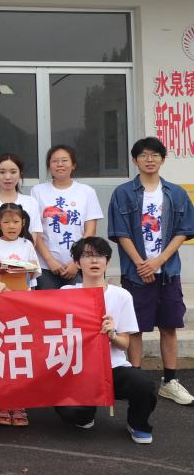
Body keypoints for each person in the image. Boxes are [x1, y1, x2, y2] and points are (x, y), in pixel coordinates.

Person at [108, 136, 194, 406]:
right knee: (135, 328)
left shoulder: (176, 193)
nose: (149, 159)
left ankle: (170, 381)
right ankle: (136, 381)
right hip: (135, 273)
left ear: (162, 159)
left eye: (155, 155)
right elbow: (120, 232)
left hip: (168, 272)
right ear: (135, 160)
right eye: (144, 155)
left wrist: (158, 261)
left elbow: (184, 231)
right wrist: (140, 263)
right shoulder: (123, 193)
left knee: (169, 326)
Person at [50, 237, 158, 444]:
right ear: (77, 262)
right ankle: (85, 413)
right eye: (87, 256)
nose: (94, 260)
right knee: (73, 414)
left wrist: (112, 334)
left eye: (100, 256)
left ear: (107, 261)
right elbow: (38, 315)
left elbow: (125, 343)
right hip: (78, 368)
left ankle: (137, 423)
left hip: (112, 366)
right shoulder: (66, 293)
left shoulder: (121, 296)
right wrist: (7, 293)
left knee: (143, 385)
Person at [0, 203, 41, 428]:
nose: (11, 226)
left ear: (23, 223)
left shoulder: (27, 244)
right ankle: (2, 402)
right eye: (6, 222)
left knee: (20, 353)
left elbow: (35, 274)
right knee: (1, 353)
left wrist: (25, 268)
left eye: (15, 222)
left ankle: (19, 403)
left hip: (22, 306)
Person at [31, 145, 103, 290]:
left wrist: (76, 261)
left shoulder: (87, 192)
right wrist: (50, 261)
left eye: (64, 160)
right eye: (55, 161)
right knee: (48, 304)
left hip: (78, 265)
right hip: (46, 267)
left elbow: (90, 231)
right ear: (49, 166)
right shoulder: (37, 191)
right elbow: (35, 230)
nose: (60, 164)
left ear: (73, 165)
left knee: (78, 304)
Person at [0, 153, 43, 292]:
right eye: (2, 172)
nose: (7, 177)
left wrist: (18, 268)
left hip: (24, 280)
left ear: (20, 173)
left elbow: (33, 237)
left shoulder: (31, 202)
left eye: (13, 171)